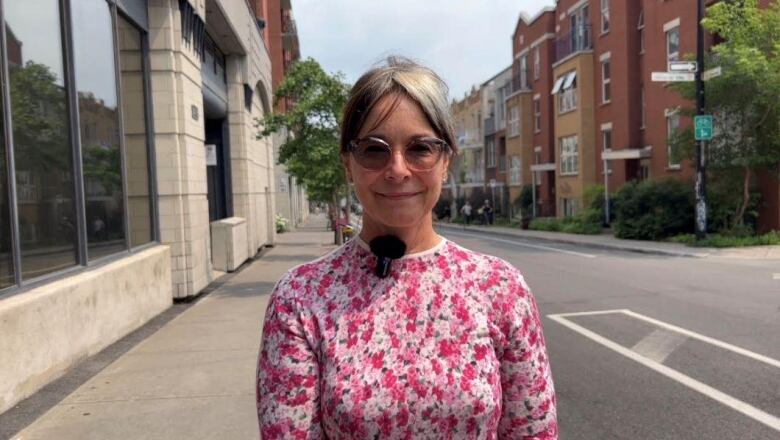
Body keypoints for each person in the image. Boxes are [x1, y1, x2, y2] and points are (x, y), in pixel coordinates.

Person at [256, 56, 557, 439]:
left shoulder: (500, 288)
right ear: (348, 162)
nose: (397, 169)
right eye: (374, 149)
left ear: (446, 160)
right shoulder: (300, 298)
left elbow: (533, 432)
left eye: (420, 148)